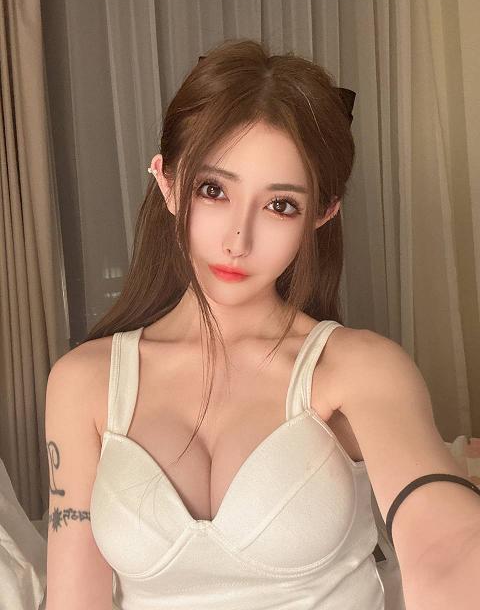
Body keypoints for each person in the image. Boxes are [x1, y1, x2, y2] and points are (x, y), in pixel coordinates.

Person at [45, 38, 479, 610]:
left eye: (280, 205)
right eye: (213, 190)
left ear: (322, 212)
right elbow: (73, 600)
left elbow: (445, 544)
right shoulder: (84, 381)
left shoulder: (358, 369)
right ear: (167, 182)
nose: (238, 239)